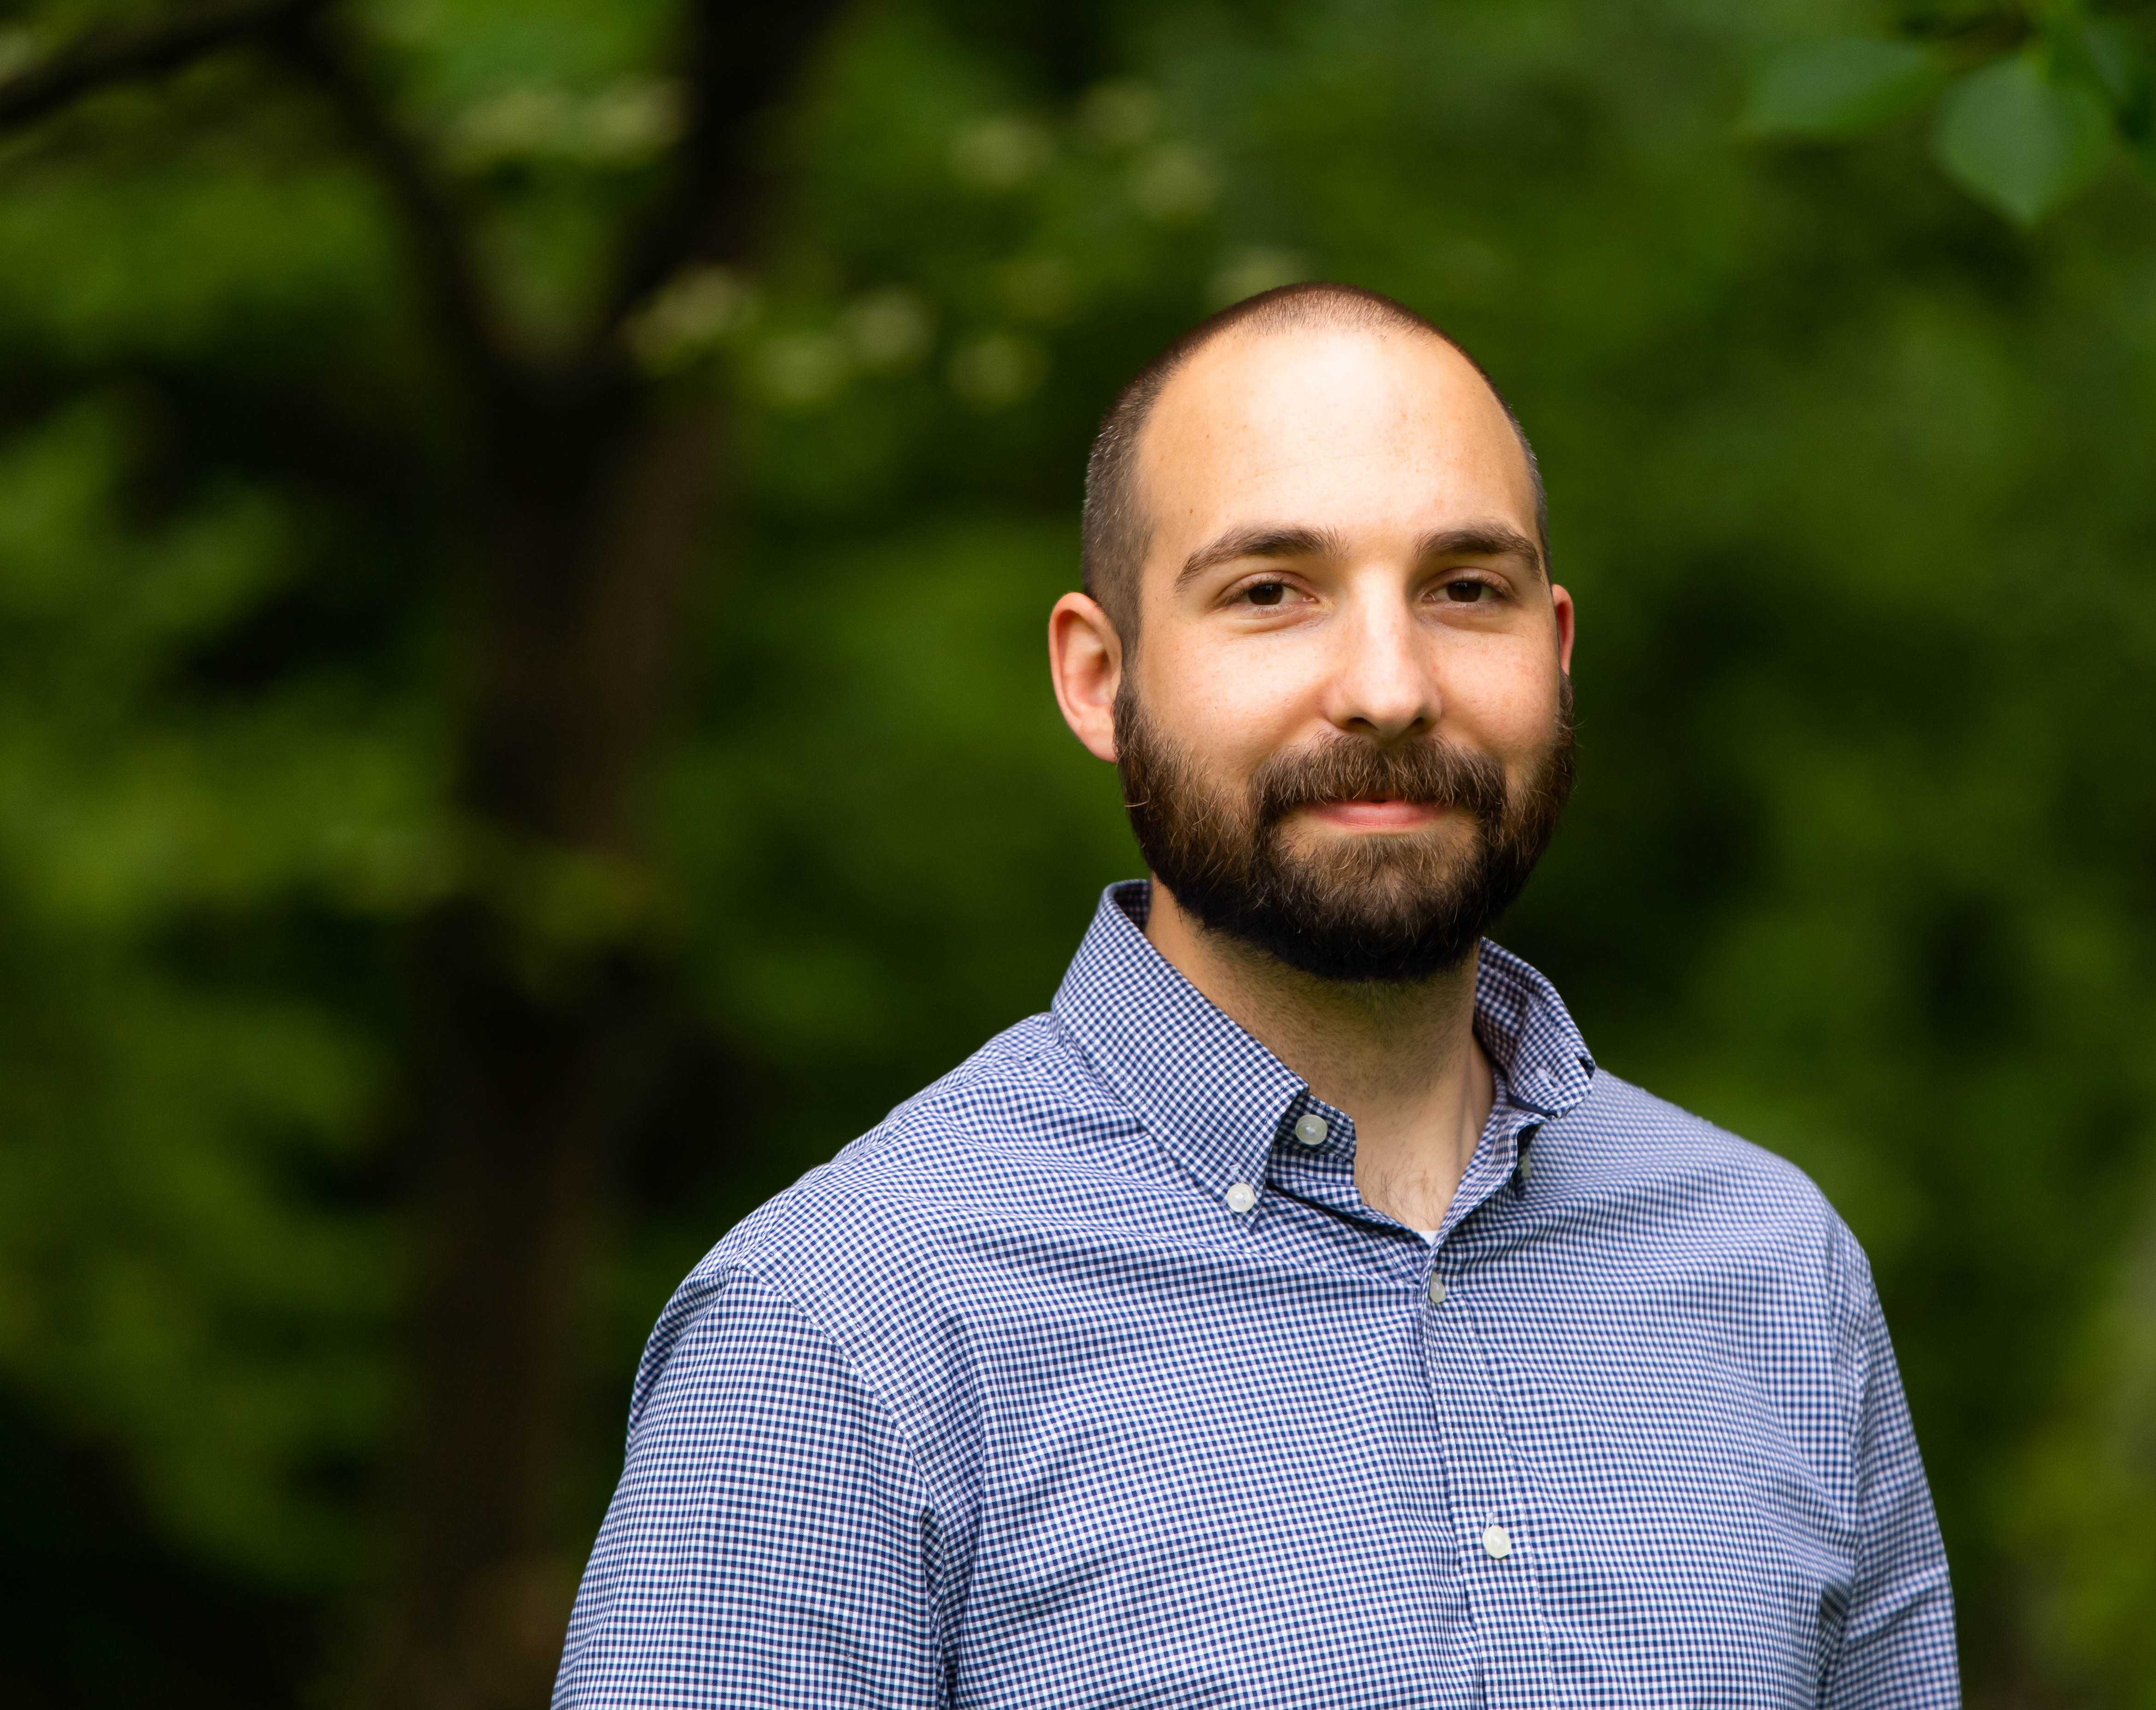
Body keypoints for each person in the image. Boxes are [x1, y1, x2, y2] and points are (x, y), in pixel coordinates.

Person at [555, 282, 1959, 1707]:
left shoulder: (1776, 1271)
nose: (1389, 687)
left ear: (1556, 648)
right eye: (1271, 592)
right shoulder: (847, 1325)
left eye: (1466, 589)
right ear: (1101, 678)